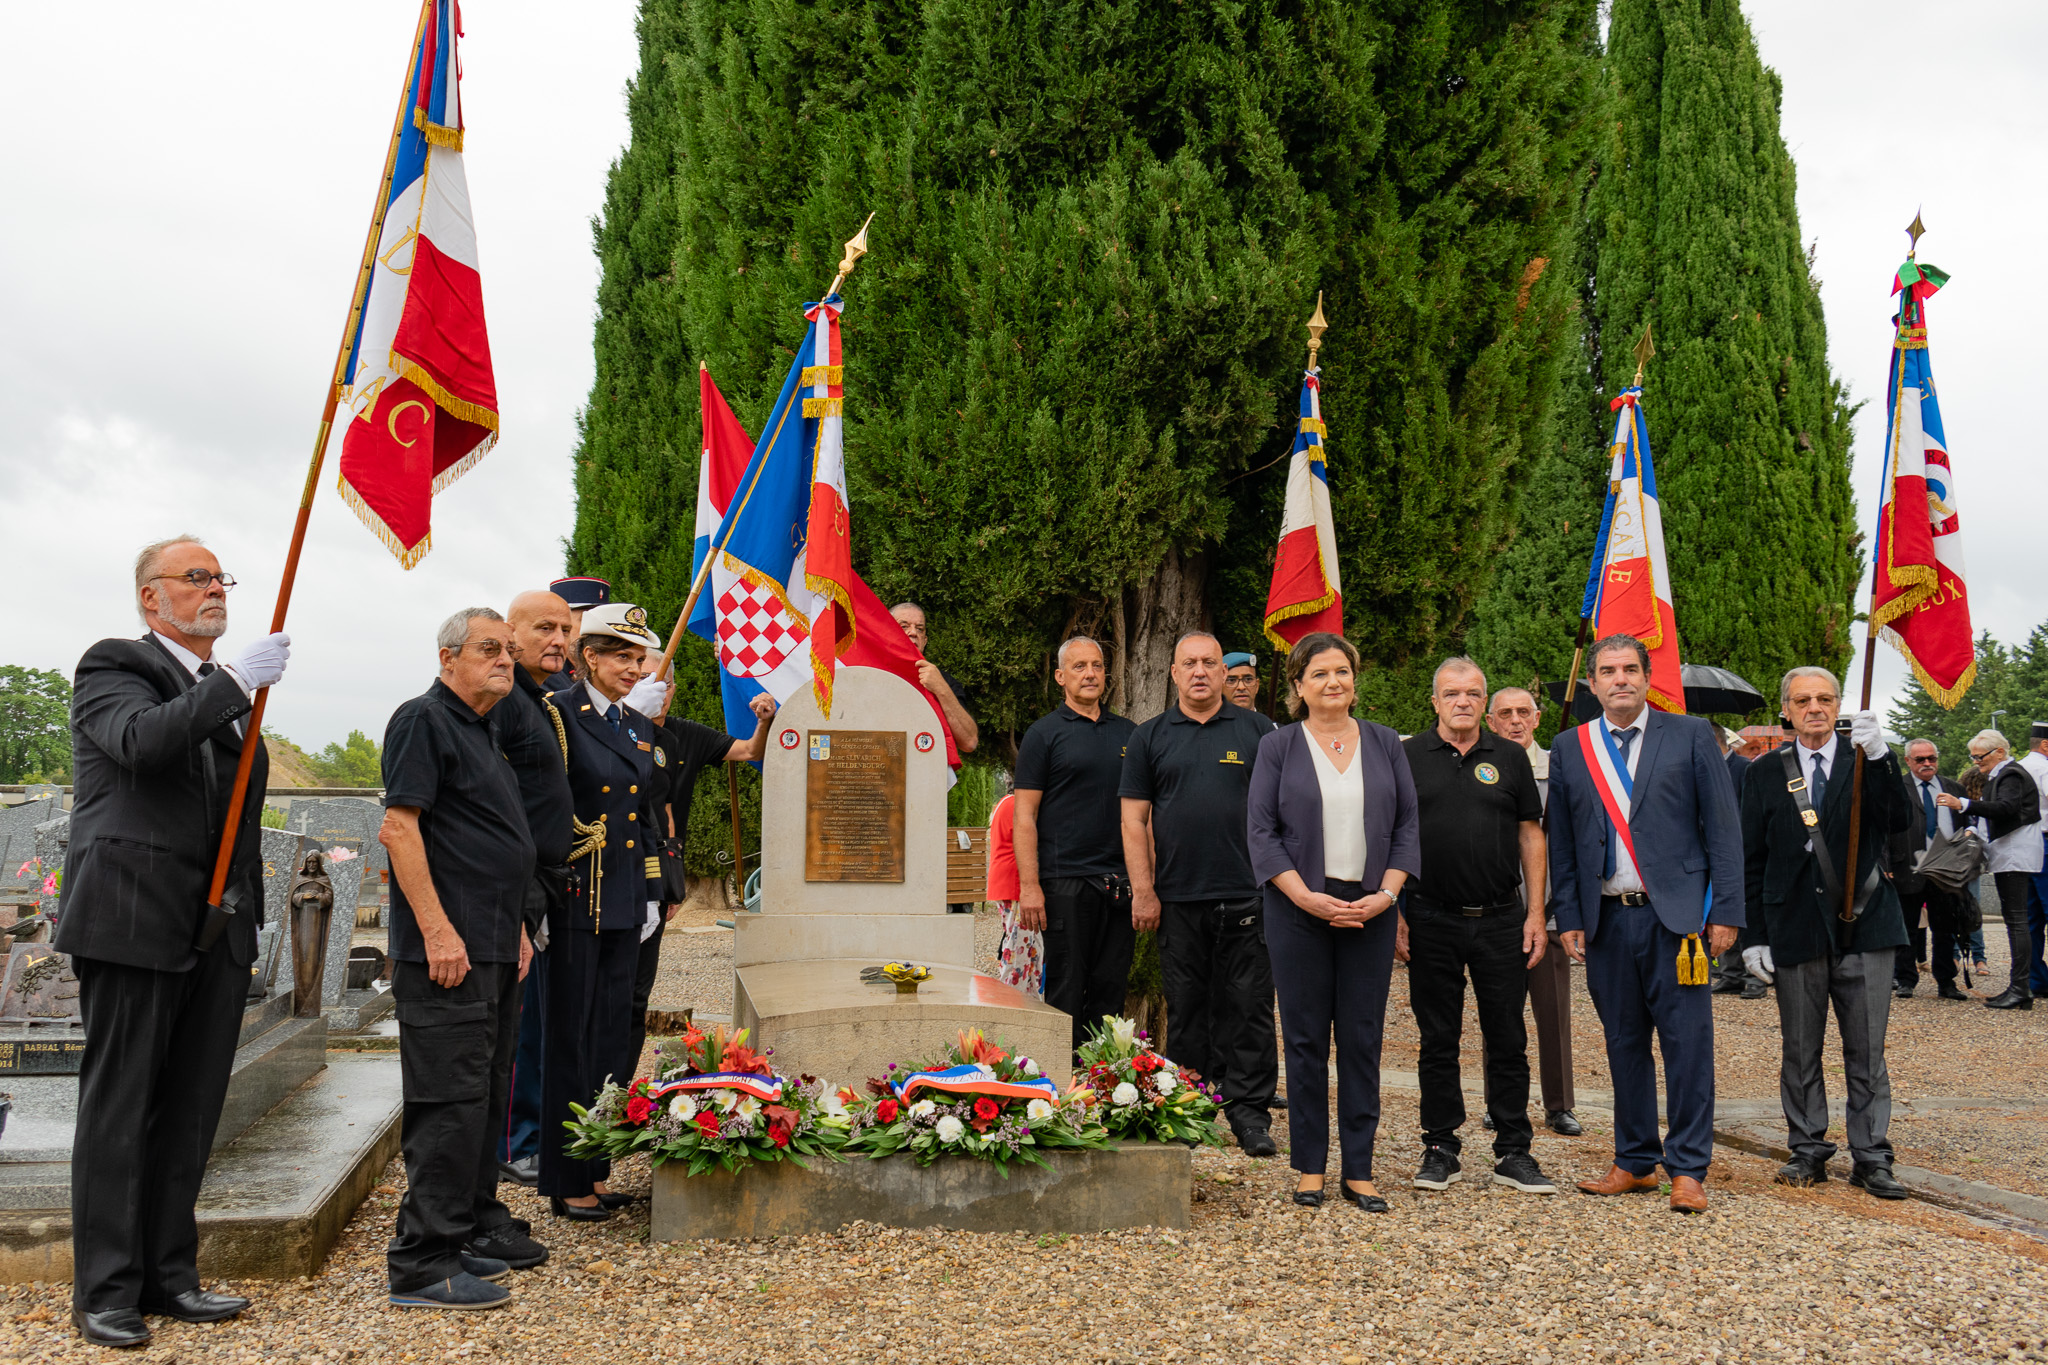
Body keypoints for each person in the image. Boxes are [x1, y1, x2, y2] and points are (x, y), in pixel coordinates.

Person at [59, 536, 289, 1348]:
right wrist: (232, 681)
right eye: (196, 578)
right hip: (133, 920)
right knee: (122, 1108)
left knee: (189, 1111)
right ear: (152, 598)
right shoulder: (114, 666)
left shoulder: (223, 692)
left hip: (215, 927)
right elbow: (143, 745)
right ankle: (107, 1288)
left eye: (221, 577)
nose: (215, 589)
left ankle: (170, 1273)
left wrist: (245, 915)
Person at [1547, 633, 1742, 1215]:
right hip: (1606, 920)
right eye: (1608, 671)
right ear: (1594, 683)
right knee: (1623, 1043)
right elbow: (1563, 839)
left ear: (1647, 675)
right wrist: (1569, 917)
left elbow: (1724, 828)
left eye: (1631, 669)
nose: (1620, 679)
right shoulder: (1569, 746)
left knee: (1687, 1046)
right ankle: (1634, 1161)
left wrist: (1726, 911)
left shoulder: (1687, 735)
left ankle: (1688, 1168)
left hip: (1677, 923)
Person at [379, 608, 536, 1310]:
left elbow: (488, 842)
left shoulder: (483, 731)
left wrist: (518, 931)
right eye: (488, 648)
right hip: (449, 953)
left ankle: (466, 1228)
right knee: (448, 1103)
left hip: (496, 948)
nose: (505, 659)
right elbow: (400, 828)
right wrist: (438, 931)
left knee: (480, 1096)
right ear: (448, 658)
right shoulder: (424, 719)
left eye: (508, 648)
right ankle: (423, 1260)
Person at [1247, 632, 1419, 1214]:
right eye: (1319, 673)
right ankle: (1311, 1166)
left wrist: (1387, 896)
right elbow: (1262, 833)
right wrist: (1304, 897)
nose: (1333, 682)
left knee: (1363, 1039)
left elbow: (1406, 829)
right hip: (1298, 911)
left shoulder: (1386, 743)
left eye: (1342, 671)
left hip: (1370, 910)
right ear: (1298, 686)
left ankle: (1360, 1169)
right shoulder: (1279, 747)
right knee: (1304, 1039)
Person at [1738, 667, 1910, 1200]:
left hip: (1866, 925)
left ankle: (1872, 1156)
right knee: (1801, 1047)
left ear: (1839, 706)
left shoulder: (1868, 760)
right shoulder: (1764, 771)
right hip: (1794, 926)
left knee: (1867, 1050)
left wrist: (1882, 758)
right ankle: (1807, 1148)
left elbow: (1901, 821)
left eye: (1825, 698)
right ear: (1785, 710)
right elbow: (1751, 859)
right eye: (1803, 700)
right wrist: (1753, 935)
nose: (1815, 708)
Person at [1120, 632, 1279, 1157]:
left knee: (1249, 1008)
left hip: (1249, 895)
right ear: (1173, 673)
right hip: (1178, 899)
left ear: (1224, 672)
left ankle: (1250, 1113)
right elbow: (1133, 819)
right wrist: (1144, 890)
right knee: (1188, 1008)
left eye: (1210, 662)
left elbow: (1281, 815)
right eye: (1189, 663)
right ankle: (1192, 1107)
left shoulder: (1259, 731)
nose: (1200, 672)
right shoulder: (1150, 737)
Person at [1398, 662, 1554, 1195]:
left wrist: (1536, 913)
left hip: (1501, 919)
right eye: (1451, 693)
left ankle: (1513, 1149)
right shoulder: (1407, 756)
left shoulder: (1510, 757)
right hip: (1429, 916)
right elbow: (1389, 835)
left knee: (1507, 1037)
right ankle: (1441, 1146)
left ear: (1482, 702)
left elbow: (1531, 837)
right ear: (1435, 701)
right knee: (1437, 1038)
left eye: (1472, 693)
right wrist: (1394, 909)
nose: (1461, 701)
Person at [539, 604, 667, 1218]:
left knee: (614, 1034)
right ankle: (566, 1178)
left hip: (621, 899)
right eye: (623, 657)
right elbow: (547, 802)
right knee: (574, 1036)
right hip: (576, 896)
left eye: (638, 659)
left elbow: (641, 819)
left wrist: (647, 891)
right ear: (588, 657)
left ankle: (597, 1164)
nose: (634, 669)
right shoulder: (558, 715)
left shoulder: (636, 726)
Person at [614, 670, 776, 1094]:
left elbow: (746, 751)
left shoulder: (678, 736)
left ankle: (618, 1085)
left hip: (659, 867)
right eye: (646, 678)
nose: (658, 689)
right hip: (610, 868)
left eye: (666, 681)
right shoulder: (606, 729)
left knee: (636, 987)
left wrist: (764, 721)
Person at [493, 591, 581, 1195]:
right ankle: (514, 1144)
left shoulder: (539, 699)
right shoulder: (504, 702)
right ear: (511, 632)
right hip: (514, 891)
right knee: (517, 1029)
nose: (558, 639)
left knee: (534, 1025)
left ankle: (528, 1136)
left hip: (543, 886)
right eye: (544, 627)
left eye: (566, 630)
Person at [1013, 637, 1138, 1049]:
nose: (1090, 673)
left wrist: (1147, 883)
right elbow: (1024, 815)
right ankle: (1065, 1091)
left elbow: (1144, 815)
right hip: (1065, 882)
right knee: (1067, 987)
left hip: (1120, 883)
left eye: (1097, 666)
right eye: (1080, 666)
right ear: (1060, 677)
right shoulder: (1043, 734)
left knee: (1110, 989)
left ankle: (1105, 1083)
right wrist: (1030, 886)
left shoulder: (1130, 734)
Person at [1479, 685, 1581, 1136]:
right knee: (1497, 1013)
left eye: (1524, 712)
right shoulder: (1483, 768)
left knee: (1554, 1014)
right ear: (1490, 722)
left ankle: (1559, 1105)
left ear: (1538, 719)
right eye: (1505, 713)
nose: (1515, 720)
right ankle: (1496, 1101)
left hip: (1550, 911)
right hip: (1497, 913)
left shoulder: (1558, 771)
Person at [1939, 728, 2043, 1011]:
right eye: (1973, 757)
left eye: (1979, 756)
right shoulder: (2002, 774)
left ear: (1999, 752)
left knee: (2017, 921)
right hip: (2011, 851)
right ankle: (2018, 986)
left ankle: (2021, 988)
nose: (1975, 762)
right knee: (2016, 920)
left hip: (2015, 853)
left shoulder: (2011, 773)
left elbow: (2006, 808)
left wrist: (1964, 804)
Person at [1890, 739, 1970, 1001]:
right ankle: (1905, 980)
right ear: (1908, 761)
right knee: (1907, 927)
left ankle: (1946, 982)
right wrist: (1886, 864)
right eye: (1920, 759)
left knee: (1945, 928)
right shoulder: (1896, 788)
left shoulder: (1954, 788)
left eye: (1931, 758)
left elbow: (1968, 824)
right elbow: (1882, 829)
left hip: (1946, 871)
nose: (1927, 764)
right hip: (1907, 866)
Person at [1711, 725, 1768, 1000]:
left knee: (1744, 915)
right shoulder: (1703, 769)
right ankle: (1729, 973)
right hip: (1713, 854)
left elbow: (1754, 813)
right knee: (1719, 912)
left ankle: (1753, 977)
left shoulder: (1745, 768)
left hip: (1744, 853)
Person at [889, 601, 978, 754]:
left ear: (925, 640)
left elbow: (969, 742)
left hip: (927, 770)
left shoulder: (942, 681)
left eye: (920, 629)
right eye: (904, 626)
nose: (913, 633)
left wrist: (941, 689)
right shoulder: (869, 675)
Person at [988, 786, 1041, 997]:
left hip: (1001, 879)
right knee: (1018, 946)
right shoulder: (1019, 805)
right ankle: (1013, 997)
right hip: (1015, 880)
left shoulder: (1003, 802)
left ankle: (1024, 995)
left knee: (1023, 942)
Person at [2021, 723, 2048, 996]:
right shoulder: (2044, 768)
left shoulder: (2017, 767)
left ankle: (2035, 980)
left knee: (2031, 919)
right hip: (2046, 844)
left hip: (2025, 845)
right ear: (2046, 745)